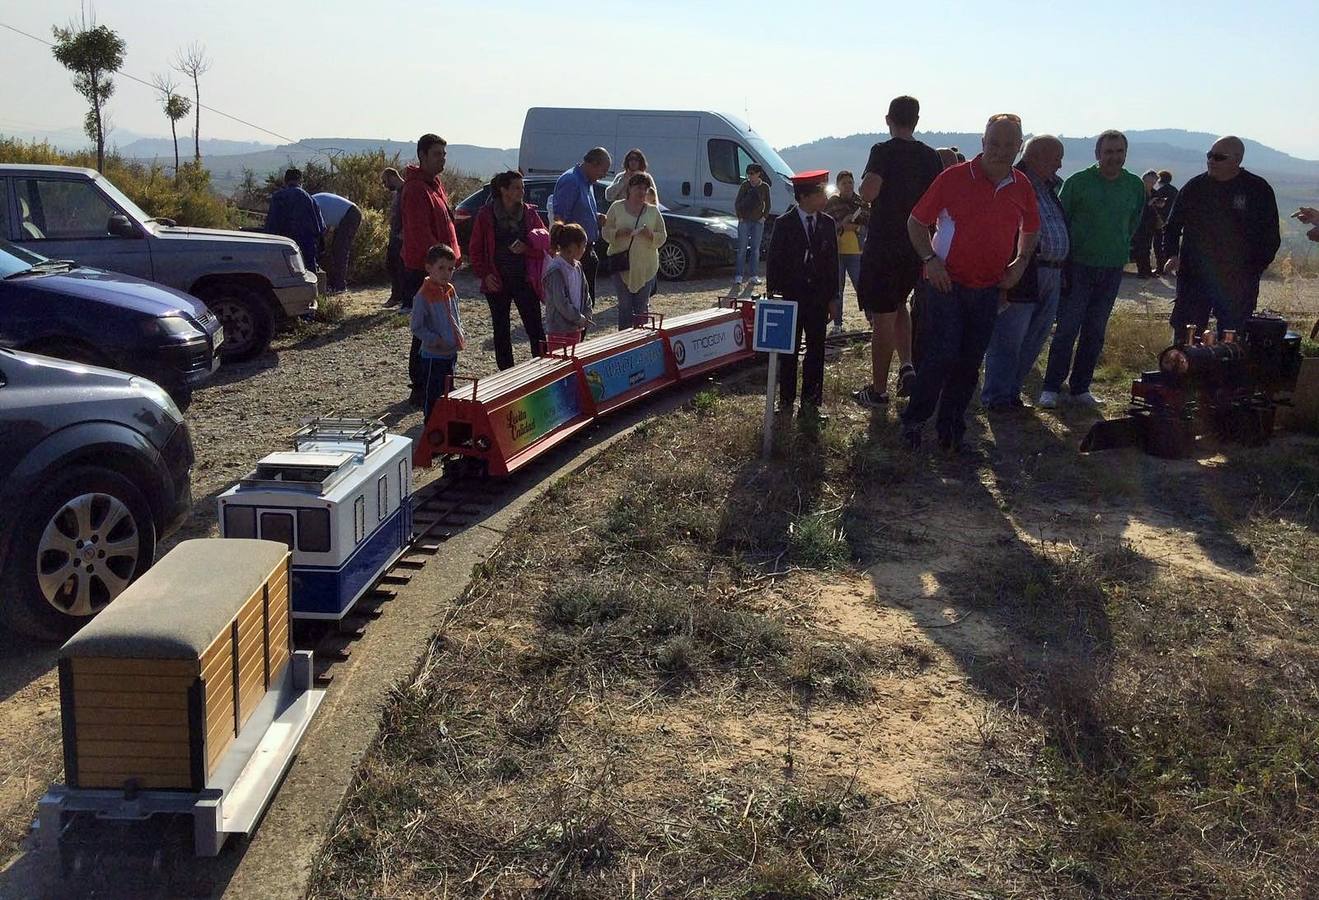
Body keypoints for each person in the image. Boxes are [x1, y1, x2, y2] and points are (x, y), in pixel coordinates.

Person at [900, 114, 1039, 451]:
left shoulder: (1022, 185)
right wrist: (931, 262)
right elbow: (916, 223)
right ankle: (915, 421)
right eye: (994, 143)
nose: (1000, 151)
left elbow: (1031, 229)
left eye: (1009, 144)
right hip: (945, 283)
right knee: (941, 355)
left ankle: (951, 427)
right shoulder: (953, 178)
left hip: (988, 287)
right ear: (983, 142)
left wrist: (1020, 263)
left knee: (969, 360)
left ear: (1019, 147)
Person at [1038, 130, 1146, 410]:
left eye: (1119, 151)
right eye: (1108, 152)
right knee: (1067, 329)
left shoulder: (1133, 185)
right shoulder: (1078, 182)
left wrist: (1119, 247)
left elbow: (1134, 221)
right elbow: (1060, 218)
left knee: (1095, 330)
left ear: (1125, 153)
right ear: (1097, 154)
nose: (1114, 157)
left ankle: (1080, 388)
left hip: (1111, 267)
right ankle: (1051, 387)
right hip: (1078, 266)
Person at [853, 95, 945, 407]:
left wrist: (862, 192)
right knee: (900, 305)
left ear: (888, 119)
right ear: (916, 121)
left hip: (884, 243)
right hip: (918, 244)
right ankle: (907, 366)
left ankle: (878, 391)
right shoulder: (930, 156)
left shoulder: (883, 151)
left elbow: (869, 192)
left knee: (882, 316)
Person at [981, 135, 1070, 411]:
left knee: (1034, 337)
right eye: (1056, 157)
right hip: (1024, 270)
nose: (1060, 164)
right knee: (1009, 337)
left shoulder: (1048, 188)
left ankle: (1011, 393)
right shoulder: (1014, 183)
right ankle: (996, 397)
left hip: (1052, 273)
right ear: (1038, 157)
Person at [1163, 136, 1281, 337]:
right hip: (1194, 278)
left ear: (1237, 160)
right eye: (1210, 155)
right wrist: (1172, 254)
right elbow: (1172, 226)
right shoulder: (1195, 187)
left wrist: (1253, 270)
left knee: (1232, 340)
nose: (1211, 161)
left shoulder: (1257, 190)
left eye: (1219, 157)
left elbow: (1270, 237)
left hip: (1237, 282)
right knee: (1186, 338)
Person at [766, 170, 839, 423]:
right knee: (789, 351)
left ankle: (811, 404)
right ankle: (785, 401)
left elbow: (833, 265)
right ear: (805, 196)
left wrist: (834, 298)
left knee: (816, 350)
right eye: (820, 192)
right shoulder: (784, 224)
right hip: (791, 298)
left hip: (818, 300)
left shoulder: (828, 223)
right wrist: (774, 296)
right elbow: (773, 263)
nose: (825, 197)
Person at [401, 134, 460, 406]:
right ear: (422, 156)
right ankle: (420, 385)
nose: (442, 159)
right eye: (437, 154)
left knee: (442, 320)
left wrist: (451, 261)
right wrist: (438, 265)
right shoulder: (415, 189)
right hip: (425, 268)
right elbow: (420, 232)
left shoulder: (434, 185)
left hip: (441, 266)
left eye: (444, 154)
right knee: (424, 325)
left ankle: (438, 379)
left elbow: (445, 224)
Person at [469, 171, 549, 369]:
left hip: (525, 279)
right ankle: (506, 374)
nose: (522, 191)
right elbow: (475, 249)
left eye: (522, 187)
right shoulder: (486, 215)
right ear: (503, 190)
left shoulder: (530, 214)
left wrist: (527, 248)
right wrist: (485, 275)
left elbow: (545, 245)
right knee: (501, 330)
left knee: (535, 328)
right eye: (516, 187)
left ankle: (544, 370)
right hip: (497, 280)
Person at [602, 173, 667, 330]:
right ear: (630, 188)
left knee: (641, 308)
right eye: (639, 188)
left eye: (645, 189)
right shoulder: (617, 207)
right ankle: (623, 345)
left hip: (646, 267)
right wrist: (618, 233)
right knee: (625, 307)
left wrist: (650, 235)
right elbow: (605, 231)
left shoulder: (653, 211)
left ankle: (640, 343)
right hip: (622, 265)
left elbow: (663, 236)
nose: (642, 192)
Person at [410, 243, 465, 420]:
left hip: (450, 352)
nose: (446, 273)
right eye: (441, 268)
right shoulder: (423, 295)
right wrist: (436, 340)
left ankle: (445, 425)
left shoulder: (450, 290)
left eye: (450, 269)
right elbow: (416, 327)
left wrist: (459, 334)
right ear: (429, 268)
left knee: (447, 392)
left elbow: (455, 315)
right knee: (433, 395)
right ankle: (431, 428)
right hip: (433, 355)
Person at [553, 148, 611, 307]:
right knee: (577, 304)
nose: (604, 175)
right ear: (593, 163)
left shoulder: (587, 183)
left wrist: (596, 217)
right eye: (604, 170)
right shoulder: (571, 180)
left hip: (587, 249)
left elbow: (580, 210)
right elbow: (560, 218)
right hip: (575, 253)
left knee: (587, 303)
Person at [824, 170, 868, 334]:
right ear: (838, 186)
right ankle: (837, 323)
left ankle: (871, 319)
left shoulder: (861, 203)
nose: (848, 186)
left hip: (857, 251)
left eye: (850, 182)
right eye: (844, 183)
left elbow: (868, 224)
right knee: (838, 290)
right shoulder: (832, 203)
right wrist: (842, 224)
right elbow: (827, 226)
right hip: (837, 252)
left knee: (861, 287)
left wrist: (855, 227)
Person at [266, 168, 324, 275]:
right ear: (301, 181)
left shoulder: (278, 197)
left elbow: (271, 226)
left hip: (283, 244)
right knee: (309, 276)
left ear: (285, 181)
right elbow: (319, 227)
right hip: (306, 245)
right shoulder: (309, 199)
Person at [542, 223, 591, 349]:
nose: (585, 250)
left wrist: (587, 313)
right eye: (584, 246)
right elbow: (560, 302)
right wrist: (577, 317)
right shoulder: (555, 270)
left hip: (575, 327)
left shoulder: (578, 266)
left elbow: (585, 293)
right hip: (559, 330)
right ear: (573, 247)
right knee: (561, 363)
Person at [312, 191, 363, 294]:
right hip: (349, 213)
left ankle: (340, 286)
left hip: (350, 214)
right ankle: (335, 283)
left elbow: (320, 231)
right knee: (336, 250)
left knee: (340, 250)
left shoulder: (313, 206)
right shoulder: (314, 200)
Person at [734, 164, 772, 290]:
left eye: (752, 174)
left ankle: (753, 275)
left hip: (758, 222)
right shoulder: (745, 185)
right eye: (748, 174)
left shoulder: (764, 187)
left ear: (758, 174)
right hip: (744, 221)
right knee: (742, 249)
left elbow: (768, 205)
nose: (750, 176)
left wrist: (763, 217)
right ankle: (739, 275)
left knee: (755, 249)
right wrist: (740, 217)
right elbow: (737, 202)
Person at [381, 167, 407, 306]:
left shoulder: (406, 191)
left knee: (399, 267)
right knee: (392, 265)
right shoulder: (398, 193)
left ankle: (398, 297)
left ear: (392, 177)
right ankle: (398, 295)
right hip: (395, 234)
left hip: (401, 236)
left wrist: (403, 231)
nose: (385, 186)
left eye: (385, 182)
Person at [1129, 169, 1159, 278]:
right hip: (1140, 224)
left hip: (1150, 224)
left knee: (1147, 248)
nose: (1152, 184)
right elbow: (1135, 208)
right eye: (1151, 181)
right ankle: (1142, 271)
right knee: (1140, 248)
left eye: (1154, 182)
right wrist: (1148, 205)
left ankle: (1147, 270)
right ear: (1145, 179)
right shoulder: (1138, 192)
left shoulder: (1154, 192)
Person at [1151, 170, 1178, 272]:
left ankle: (1160, 267)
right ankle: (1169, 266)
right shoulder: (1175, 191)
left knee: (1158, 244)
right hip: (1172, 221)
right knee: (1168, 244)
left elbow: (1157, 205)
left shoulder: (1161, 192)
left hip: (1160, 221)